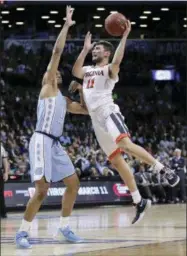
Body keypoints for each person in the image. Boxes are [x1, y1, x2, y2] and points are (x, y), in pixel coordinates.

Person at [71, 21, 180, 224]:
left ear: (106, 54)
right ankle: (139, 201)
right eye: (94, 48)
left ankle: (162, 169)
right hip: (96, 121)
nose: (95, 50)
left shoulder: (110, 70)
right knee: (117, 161)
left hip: (108, 112)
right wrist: (84, 50)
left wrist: (124, 36)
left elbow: (118, 60)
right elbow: (76, 71)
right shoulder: (87, 70)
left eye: (98, 48)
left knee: (124, 144)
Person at [15, 6, 88, 249]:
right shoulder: (48, 88)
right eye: (52, 71)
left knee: (73, 184)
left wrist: (84, 91)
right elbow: (57, 51)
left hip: (55, 144)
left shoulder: (64, 100)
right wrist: (67, 26)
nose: (55, 72)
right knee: (42, 189)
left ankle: (64, 228)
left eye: (57, 72)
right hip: (41, 139)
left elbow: (85, 110)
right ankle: (22, 233)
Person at [0, 143, 10, 218]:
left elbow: (5, 160)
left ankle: (2, 213)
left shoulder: (1, 147)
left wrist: (6, 172)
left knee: (0, 193)